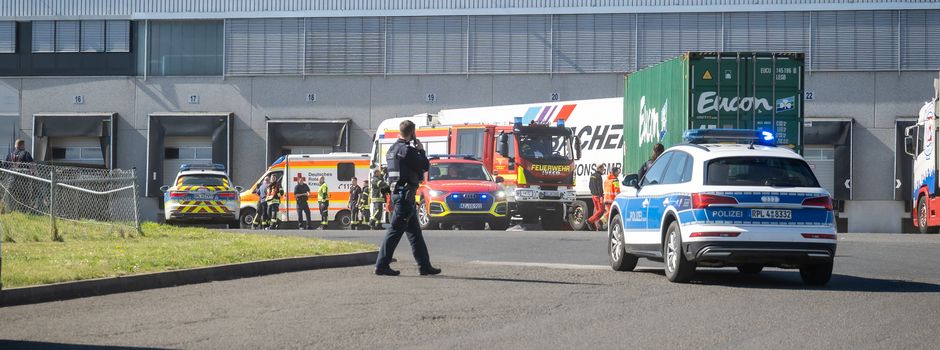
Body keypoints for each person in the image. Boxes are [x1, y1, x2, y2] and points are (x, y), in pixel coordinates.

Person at [375, 120, 441, 276]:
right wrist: (421, 150)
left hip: (399, 194)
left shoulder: (392, 149)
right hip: (405, 196)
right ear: (412, 132)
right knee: (394, 231)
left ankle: (424, 266)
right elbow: (425, 166)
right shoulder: (407, 150)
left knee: (415, 233)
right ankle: (381, 265)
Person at [587, 164, 606, 231]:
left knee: (598, 212)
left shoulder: (592, 175)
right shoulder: (599, 176)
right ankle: (589, 220)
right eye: (603, 169)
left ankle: (598, 227)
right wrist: (601, 196)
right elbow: (599, 187)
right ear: (599, 169)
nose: (603, 170)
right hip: (598, 196)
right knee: (601, 210)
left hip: (593, 195)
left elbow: (589, 185)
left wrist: (592, 192)